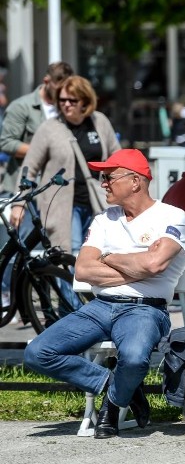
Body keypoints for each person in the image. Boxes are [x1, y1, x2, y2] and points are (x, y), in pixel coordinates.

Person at [23, 149, 185, 438]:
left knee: (136, 359)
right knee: (37, 353)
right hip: (100, 306)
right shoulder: (104, 219)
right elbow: (83, 270)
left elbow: (154, 264)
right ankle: (113, 383)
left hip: (146, 309)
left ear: (135, 181)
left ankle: (112, 405)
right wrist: (137, 266)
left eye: (108, 177)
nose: (103, 183)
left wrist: (109, 257)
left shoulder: (172, 216)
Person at [15, 76, 121, 312]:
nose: (66, 104)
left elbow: (116, 157)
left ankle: (94, 313)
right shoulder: (50, 128)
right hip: (62, 207)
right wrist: (18, 204)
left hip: (97, 204)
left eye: (72, 100)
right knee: (68, 261)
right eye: (62, 100)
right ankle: (74, 317)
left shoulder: (100, 122)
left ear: (85, 100)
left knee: (97, 260)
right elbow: (29, 167)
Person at [0, 61, 72, 195]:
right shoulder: (21, 106)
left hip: (58, 188)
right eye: (59, 88)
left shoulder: (68, 107)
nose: (63, 93)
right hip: (24, 188)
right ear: (46, 81)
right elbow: (6, 143)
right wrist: (46, 151)